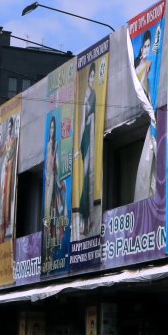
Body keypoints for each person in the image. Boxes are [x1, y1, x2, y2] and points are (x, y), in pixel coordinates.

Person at [77, 65, 98, 235]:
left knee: (90, 178)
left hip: (93, 135)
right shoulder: (85, 95)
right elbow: (83, 122)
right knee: (86, 177)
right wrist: (78, 146)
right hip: (86, 138)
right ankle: (85, 220)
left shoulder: (96, 94)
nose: (92, 79)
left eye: (93, 76)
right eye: (90, 76)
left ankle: (89, 219)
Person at [44, 115, 68, 248]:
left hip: (55, 183)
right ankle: (51, 243)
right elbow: (48, 167)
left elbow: (57, 166)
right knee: (50, 213)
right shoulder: (48, 145)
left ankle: (57, 242)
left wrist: (61, 182)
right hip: (49, 184)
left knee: (58, 212)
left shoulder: (56, 144)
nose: (52, 130)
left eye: (54, 127)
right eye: (51, 128)